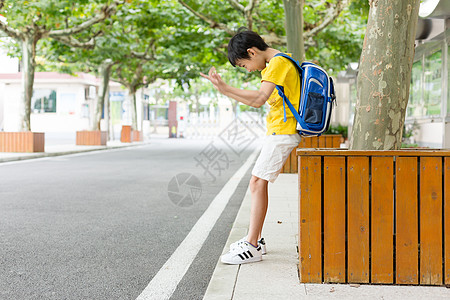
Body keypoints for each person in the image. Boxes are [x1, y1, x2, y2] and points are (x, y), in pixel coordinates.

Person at [200, 29, 301, 264]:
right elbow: (258, 102)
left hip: (283, 132)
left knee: (256, 182)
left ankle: (253, 245)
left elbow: (257, 99)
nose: (249, 69)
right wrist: (225, 91)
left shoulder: (277, 63)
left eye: (244, 65)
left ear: (251, 52)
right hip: (279, 131)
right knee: (258, 183)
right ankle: (256, 239)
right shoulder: (277, 62)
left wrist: (225, 90)